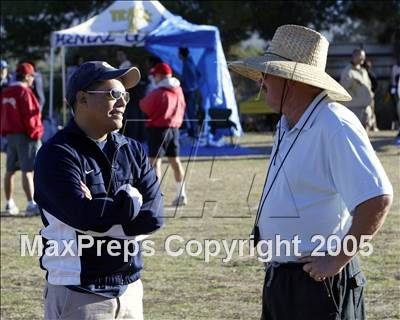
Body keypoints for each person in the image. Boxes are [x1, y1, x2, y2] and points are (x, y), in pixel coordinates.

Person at [229, 25, 393, 320]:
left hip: (319, 285)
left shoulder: (335, 124)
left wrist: (336, 261)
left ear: (291, 80)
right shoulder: (288, 122)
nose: (261, 81)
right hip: (285, 280)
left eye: (268, 73)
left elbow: (376, 199)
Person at [33, 61, 164, 320]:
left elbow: (153, 217)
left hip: (130, 289)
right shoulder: (57, 154)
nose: (123, 102)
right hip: (78, 291)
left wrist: (104, 209)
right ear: (82, 99)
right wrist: (130, 201)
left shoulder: (133, 149)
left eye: (125, 95)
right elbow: (83, 216)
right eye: (113, 94)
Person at [139, 62, 187, 206]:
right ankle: (182, 194)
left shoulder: (158, 92)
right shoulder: (178, 90)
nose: (155, 78)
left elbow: (144, 106)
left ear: (159, 75)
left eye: (155, 75)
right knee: (175, 161)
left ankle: (155, 196)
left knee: (155, 163)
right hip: (174, 129)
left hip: (158, 130)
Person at [1, 62, 44, 216]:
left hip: (10, 136)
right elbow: (31, 116)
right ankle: (31, 204)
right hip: (26, 135)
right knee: (28, 171)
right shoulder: (25, 92)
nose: (33, 79)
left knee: (10, 171)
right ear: (27, 76)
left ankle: (9, 204)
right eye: (32, 76)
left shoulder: (6, 91)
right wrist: (36, 133)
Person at [340, 49, 374, 129]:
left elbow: (369, 86)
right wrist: (353, 82)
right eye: (361, 56)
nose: (363, 58)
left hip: (366, 107)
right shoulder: (347, 71)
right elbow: (344, 86)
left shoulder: (363, 71)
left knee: (366, 132)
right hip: (354, 107)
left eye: (364, 56)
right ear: (355, 56)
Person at [178, 47, 201, 138]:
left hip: (189, 91)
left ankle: (194, 133)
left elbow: (190, 75)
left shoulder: (187, 63)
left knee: (191, 112)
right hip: (192, 90)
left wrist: (187, 84)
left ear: (181, 54)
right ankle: (193, 132)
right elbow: (198, 74)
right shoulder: (189, 62)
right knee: (191, 112)